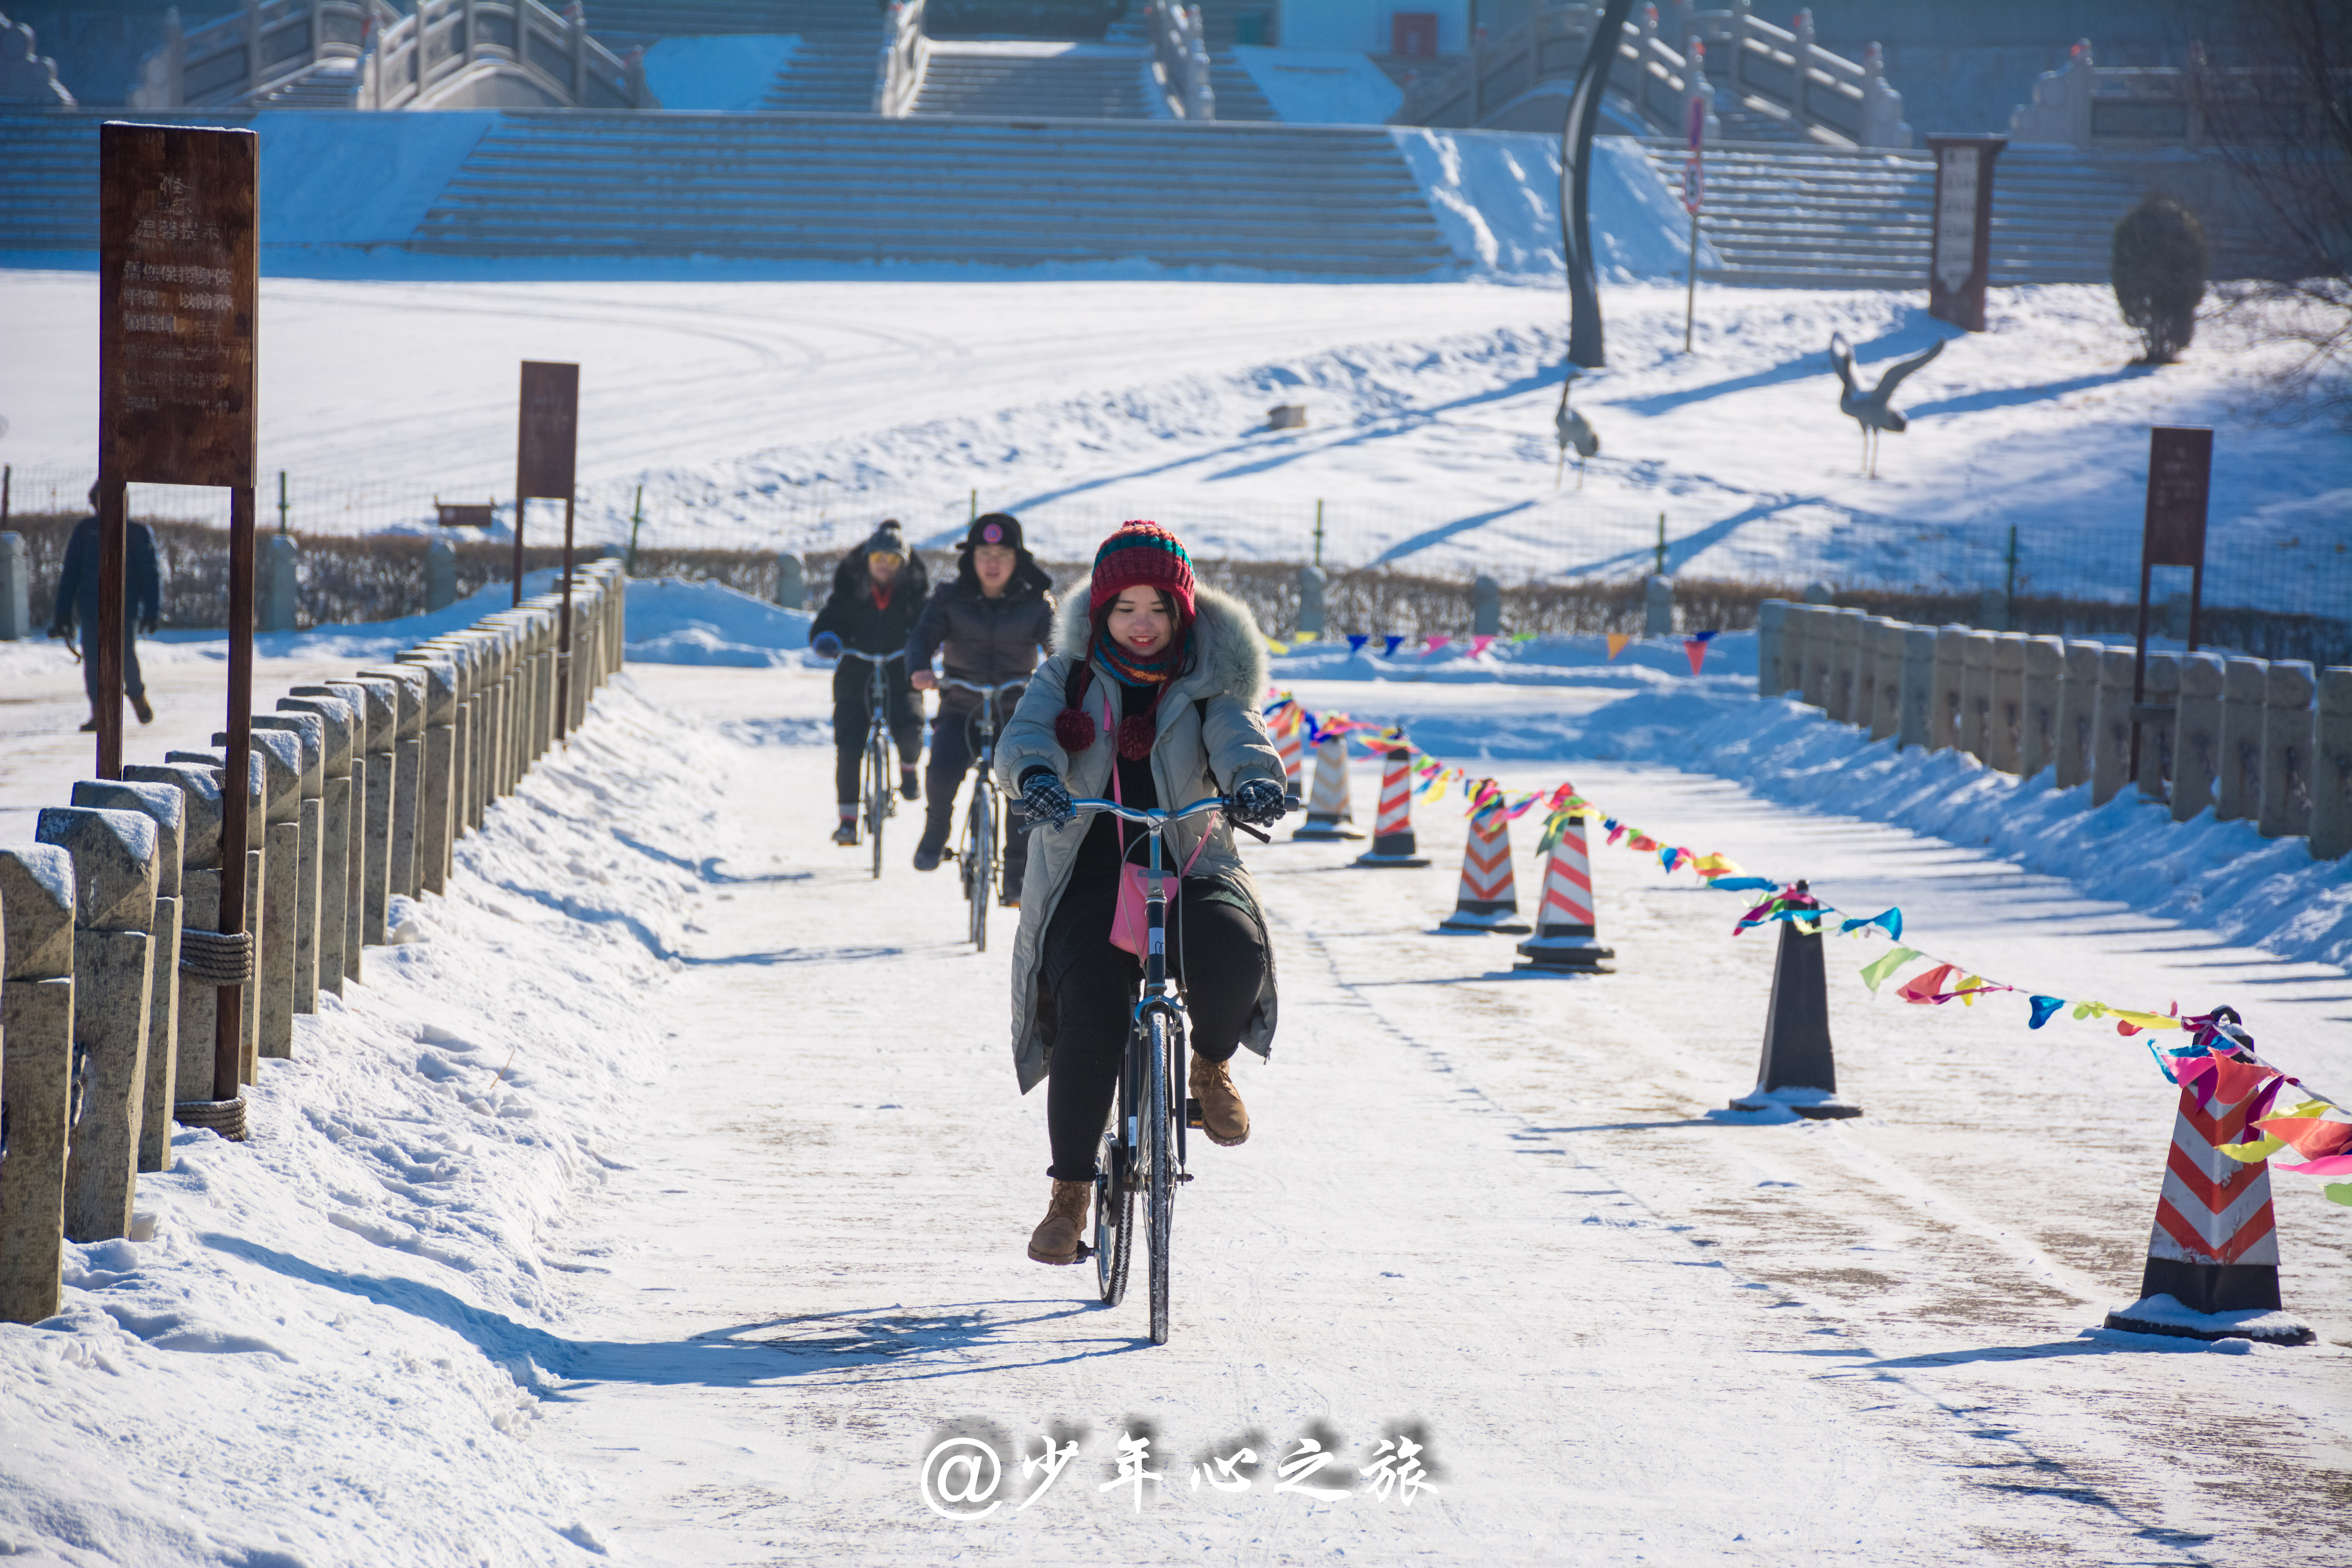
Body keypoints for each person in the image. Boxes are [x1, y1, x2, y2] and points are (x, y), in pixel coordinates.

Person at [992, 520, 1289, 1266]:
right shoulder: (1067, 678)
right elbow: (1026, 737)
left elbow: (1239, 735)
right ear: (1101, 614)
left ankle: (1211, 1064)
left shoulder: (1207, 684)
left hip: (1189, 859)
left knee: (1234, 949)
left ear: (1183, 612)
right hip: (1087, 867)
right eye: (1125, 608)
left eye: (1158, 607)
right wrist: (1036, 780)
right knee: (1092, 1004)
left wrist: (1254, 780)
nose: (1143, 623)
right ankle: (1070, 1196)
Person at [904, 512, 1055, 901]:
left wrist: (1064, 681)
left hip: (1018, 713)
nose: (993, 563)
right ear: (970, 557)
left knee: (1023, 791)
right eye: (984, 553)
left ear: (1017, 559)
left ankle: (1016, 879)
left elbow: (1061, 649)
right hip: (961, 705)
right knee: (941, 770)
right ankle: (937, 831)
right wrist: (920, 668)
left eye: (1003, 554)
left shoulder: (1037, 603)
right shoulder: (948, 598)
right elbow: (922, 638)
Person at [809, 521, 929, 846]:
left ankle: (908, 768)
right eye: (878, 556)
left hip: (901, 672)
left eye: (892, 559)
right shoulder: (849, 590)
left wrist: (930, 645)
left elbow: (930, 626)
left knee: (910, 731)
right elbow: (827, 622)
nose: (883, 564)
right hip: (855, 673)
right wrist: (826, 639)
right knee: (848, 748)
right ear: (867, 558)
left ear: (903, 564)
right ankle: (848, 822)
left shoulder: (914, 595)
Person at [48, 485, 160, 731]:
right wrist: (62, 615)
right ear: (95, 502)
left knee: (125, 657)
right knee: (93, 661)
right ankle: (100, 714)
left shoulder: (137, 533)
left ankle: (137, 695)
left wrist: (152, 612)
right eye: (102, 499)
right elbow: (71, 574)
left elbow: (150, 575)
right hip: (90, 609)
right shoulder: (85, 532)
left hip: (124, 608)